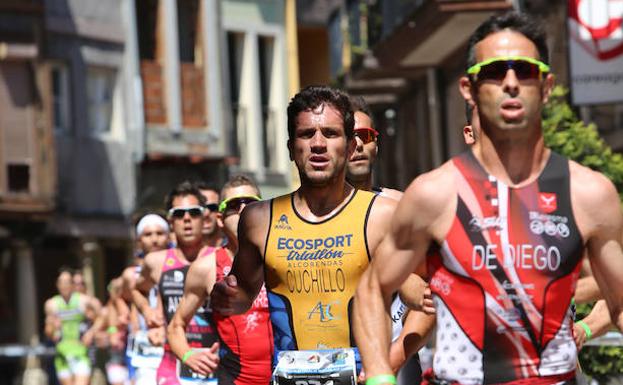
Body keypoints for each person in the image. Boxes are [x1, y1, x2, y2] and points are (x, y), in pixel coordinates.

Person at [354, 11, 623, 385]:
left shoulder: (588, 194)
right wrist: (380, 376)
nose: (511, 83)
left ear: (545, 86)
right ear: (469, 88)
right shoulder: (435, 194)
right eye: (495, 72)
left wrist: (590, 329)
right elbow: (373, 288)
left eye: (524, 71)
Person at [210, 85, 400, 384]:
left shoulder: (382, 215)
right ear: (290, 148)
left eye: (331, 133)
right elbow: (242, 297)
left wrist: (386, 364)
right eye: (306, 134)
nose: (319, 144)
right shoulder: (260, 219)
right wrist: (225, 296)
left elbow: (426, 302)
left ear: (350, 147)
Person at [346, 95, 435, 383]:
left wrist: (393, 359)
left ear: (376, 143)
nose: (357, 145)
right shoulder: (305, 217)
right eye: (348, 136)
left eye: (365, 135)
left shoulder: (403, 208)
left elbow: (432, 293)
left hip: (397, 366)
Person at [168, 175, 273, 385]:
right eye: (234, 205)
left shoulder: (284, 258)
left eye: (251, 203)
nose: (243, 210)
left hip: (287, 377)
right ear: (219, 218)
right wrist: (188, 355)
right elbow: (175, 326)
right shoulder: (205, 268)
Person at [132, 182, 219, 385]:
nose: (187, 219)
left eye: (194, 213)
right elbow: (137, 288)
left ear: (204, 217)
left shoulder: (219, 258)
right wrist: (147, 311)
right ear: (171, 221)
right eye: (179, 214)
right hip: (173, 364)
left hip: (213, 362)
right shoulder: (156, 261)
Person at [120, 213, 170, 385]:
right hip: (145, 347)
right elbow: (121, 297)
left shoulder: (180, 266)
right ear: (139, 241)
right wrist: (130, 318)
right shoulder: (130, 275)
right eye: (148, 235)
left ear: (168, 236)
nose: (154, 239)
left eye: (160, 233)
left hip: (174, 343)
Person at [44, 268, 101, 385]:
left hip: (81, 352)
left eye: (67, 282)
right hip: (62, 354)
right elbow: (48, 332)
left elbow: (102, 315)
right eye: (61, 282)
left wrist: (91, 332)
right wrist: (52, 328)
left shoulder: (83, 300)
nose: (64, 286)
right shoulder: (51, 304)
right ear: (57, 284)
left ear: (72, 284)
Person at [194, 182, 226, 248]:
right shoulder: (177, 255)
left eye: (213, 207)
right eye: (201, 207)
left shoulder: (235, 250)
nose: (206, 213)